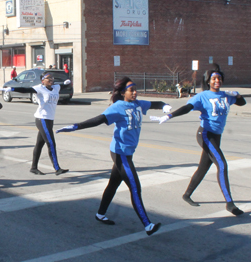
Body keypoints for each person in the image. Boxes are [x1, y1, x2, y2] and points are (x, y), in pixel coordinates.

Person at [56, 77, 171, 236]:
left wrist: (165, 106)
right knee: (135, 188)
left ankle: (100, 214)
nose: (135, 92)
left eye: (135, 89)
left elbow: (154, 104)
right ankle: (148, 225)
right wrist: (76, 126)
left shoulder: (138, 104)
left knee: (113, 184)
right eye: (132, 90)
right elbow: (99, 119)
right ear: (123, 92)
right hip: (120, 152)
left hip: (128, 152)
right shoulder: (118, 107)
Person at [150, 64, 246, 216]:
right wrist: (169, 115)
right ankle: (230, 204)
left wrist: (238, 96)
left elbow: (242, 103)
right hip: (205, 135)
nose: (217, 81)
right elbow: (187, 108)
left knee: (203, 167)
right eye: (213, 78)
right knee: (222, 164)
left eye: (219, 78)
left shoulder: (226, 96)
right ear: (208, 81)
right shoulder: (202, 96)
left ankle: (187, 195)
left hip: (217, 136)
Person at [0, 72, 68, 176]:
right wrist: (11, 89)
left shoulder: (56, 87)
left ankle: (33, 167)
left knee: (39, 144)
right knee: (51, 143)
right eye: (48, 78)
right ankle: (57, 168)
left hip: (50, 119)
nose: (51, 80)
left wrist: (67, 82)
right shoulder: (40, 88)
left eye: (52, 78)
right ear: (43, 80)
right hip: (42, 119)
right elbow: (26, 89)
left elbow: (63, 85)